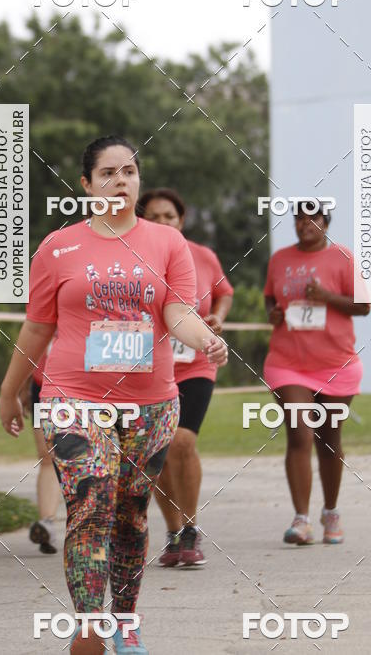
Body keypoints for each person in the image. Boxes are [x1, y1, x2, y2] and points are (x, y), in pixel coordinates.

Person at [0, 136, 227, 655]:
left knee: (129, 513)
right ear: (86, 184)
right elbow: (37, 328)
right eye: (107, 173)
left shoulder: (168, 244)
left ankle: (124, 619)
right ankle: (90, 625)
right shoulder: (58, 247)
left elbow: (177, 313)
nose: (120, 181)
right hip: (72, 396)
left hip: (150, 402)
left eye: (128, 171)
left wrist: (206, 340)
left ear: (138, 181)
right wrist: (10, 391)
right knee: (89, 502)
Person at [137, 188, 234, 568]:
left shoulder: (202, 256)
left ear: (182, 220)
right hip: (150, 365)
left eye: (170, 217)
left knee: (181, 442)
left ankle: (191, 527)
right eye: (155, 217)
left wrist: (219, 317)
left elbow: (224, 292)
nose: (163, 223)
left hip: (195, 364)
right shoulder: (132, 256)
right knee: (155, 454)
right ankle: (174, 532)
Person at [263, 201, 369, 546]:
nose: (305, 224)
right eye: (299, 218)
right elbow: (269, 300)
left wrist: (325, 297)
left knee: (329, 438)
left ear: (326, 222)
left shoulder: (343, 257)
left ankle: (331, 511)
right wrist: (274, 313)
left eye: (313, 218)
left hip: (336, 363)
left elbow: (364, 306)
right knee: (300, 433)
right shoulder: (280, 259)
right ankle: (302, 519)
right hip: (288, 362)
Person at [20, 337, 62, 554]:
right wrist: (22, 380)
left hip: (91, 382)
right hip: (44, 382)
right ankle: (47, 524)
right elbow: (34, 331)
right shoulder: (40, 302)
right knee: (47, 455)